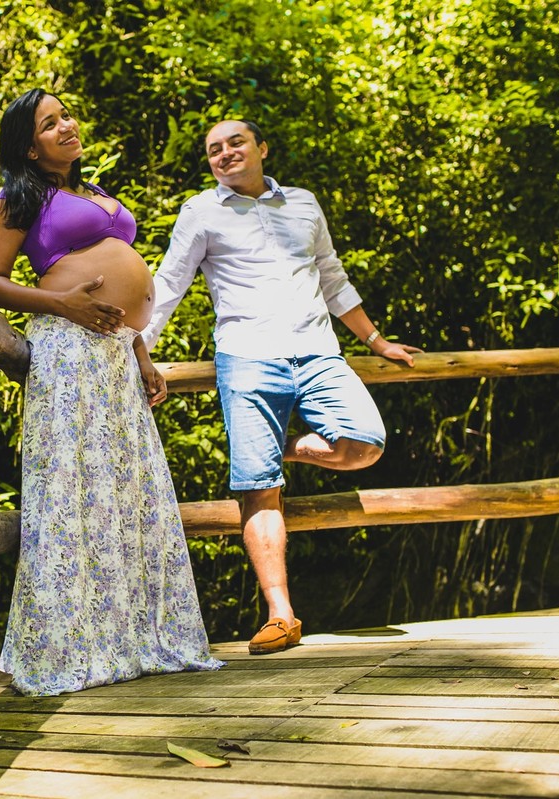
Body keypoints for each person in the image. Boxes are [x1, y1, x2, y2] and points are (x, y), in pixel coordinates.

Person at [141, 119, 422, 655]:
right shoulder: (200, 212)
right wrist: (139, 350)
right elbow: (170, 283)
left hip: (318, 352)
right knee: (258, 487)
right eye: (214, 149)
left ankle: (279, 450)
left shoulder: (303, 204)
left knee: (364, 443)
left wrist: (377, 341)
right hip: (247, 357)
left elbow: (332, 277)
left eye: (236, 142)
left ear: (262, 148)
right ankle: (281, 615)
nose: (225, 153)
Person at [0, 88, 222, 695]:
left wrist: (141, 352)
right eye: (49, 123)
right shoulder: (21, 196)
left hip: (116, 356)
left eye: (66, 115)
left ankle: (132, 639)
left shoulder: (92, 191)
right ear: (28, 147)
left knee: (128, 492)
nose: (66, 125)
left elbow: (123, 287)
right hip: (67, 351)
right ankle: (69, 645)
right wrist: (62, 303)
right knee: (71, 491)